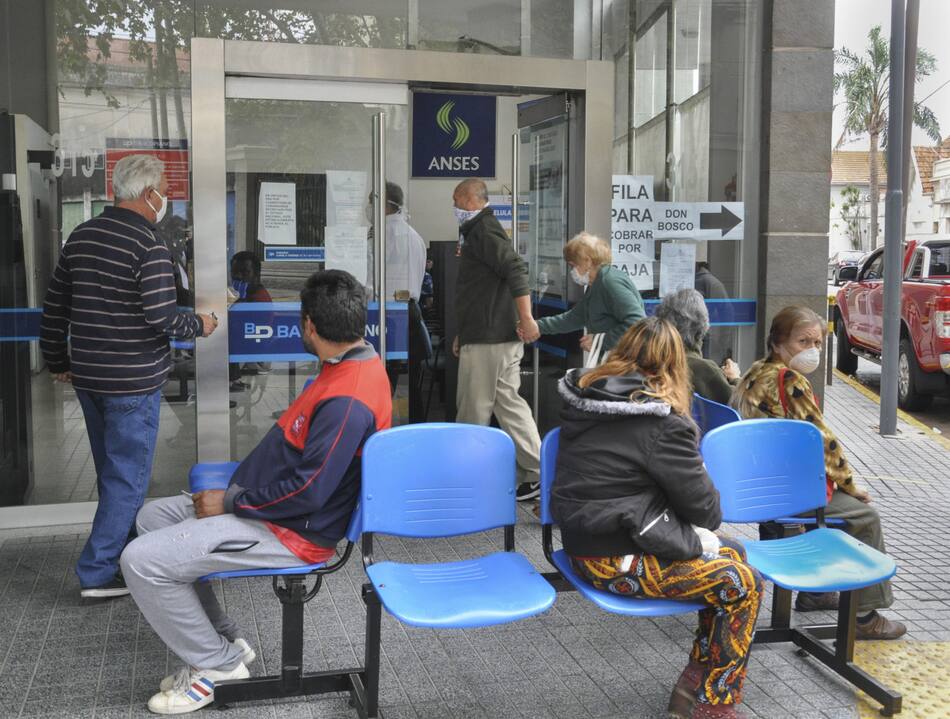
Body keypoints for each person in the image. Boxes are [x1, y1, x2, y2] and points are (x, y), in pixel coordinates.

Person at [120, 270, 392, 714]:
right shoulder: (351, 361)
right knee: (151, 518)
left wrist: (228, 502)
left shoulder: (347, 399)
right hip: (264, 505)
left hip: (292, 532)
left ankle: (219, 664)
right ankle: (224, 640)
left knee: (139, 561)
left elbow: (308, 491)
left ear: (308, 325)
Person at [551, 317, 762, 719]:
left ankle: (692, 684)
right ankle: (715, 706)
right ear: (673, 367)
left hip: (584, 543)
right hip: (617, 561)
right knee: (742, 582)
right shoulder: (660, 422)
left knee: (733, 554)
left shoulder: (587, 398)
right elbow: (708, 512)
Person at [40, 154, 217, 600]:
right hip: (132, 384)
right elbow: (161, 316)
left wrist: (57, 358)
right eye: (165, 192)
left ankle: (120, 554)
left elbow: (55, 308)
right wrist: (200, 325)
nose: (167, 200)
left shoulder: (81, 236)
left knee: (112, 473)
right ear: (148, 194)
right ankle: (98, 572)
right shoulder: (148, 245)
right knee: (128, 478)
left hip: (90, 379)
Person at [730, 305, 905, 640]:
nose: (812, 350)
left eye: (818, 342)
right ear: (778, 343)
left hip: (757, 484)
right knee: (865, 516)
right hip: (782, 491)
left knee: (836, 506)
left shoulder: (755, 371)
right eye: (802, 342)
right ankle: (865, 616)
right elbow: (823, 442)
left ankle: (817, 593)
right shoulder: (789, 380)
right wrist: (851, 486)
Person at [452, 178, 542, 501]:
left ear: (473, 201)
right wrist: (465, 330)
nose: (456, 208)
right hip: (493, 336)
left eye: (458, 201)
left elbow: (515, 268)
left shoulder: (483, 230)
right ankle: (536, 471)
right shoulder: (479, 230)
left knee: (472, 411)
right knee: (510, 405)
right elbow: (482, 290)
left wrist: (527, 317)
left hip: (490, 341)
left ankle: (467, 481)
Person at [520, 232, 644, 362]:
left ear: (588, 261)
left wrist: (600, 341)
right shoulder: (597, 284)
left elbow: (637, 322)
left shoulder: (609, 282)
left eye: (573, 265)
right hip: (615, 362)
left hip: (625, 364)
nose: (572, 271)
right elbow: (575, 318)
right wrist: (536, 326)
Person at [367, 182, 427, 422]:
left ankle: (387, 433)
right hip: (406, 311)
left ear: (384, 205)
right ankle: (412, 432)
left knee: (385, 381)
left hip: (390, 313)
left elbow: (373, 279)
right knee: (406, 382)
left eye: (371, 203)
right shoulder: (413, 236)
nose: (369, 208)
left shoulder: (389, 235)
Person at [655, 288, 739, 405]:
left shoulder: (655, 359)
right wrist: (735, 378)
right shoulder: (704, 369)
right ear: (702, 325)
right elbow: (741, 405)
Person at [228, 251, 272, 391]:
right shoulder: (241, 293)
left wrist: (237, 301)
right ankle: (233, 378)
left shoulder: (259, 296)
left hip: (255, 344)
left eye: (245, 272)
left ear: (256, 274)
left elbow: (246, 326)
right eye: (235, 273)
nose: (239, 276)